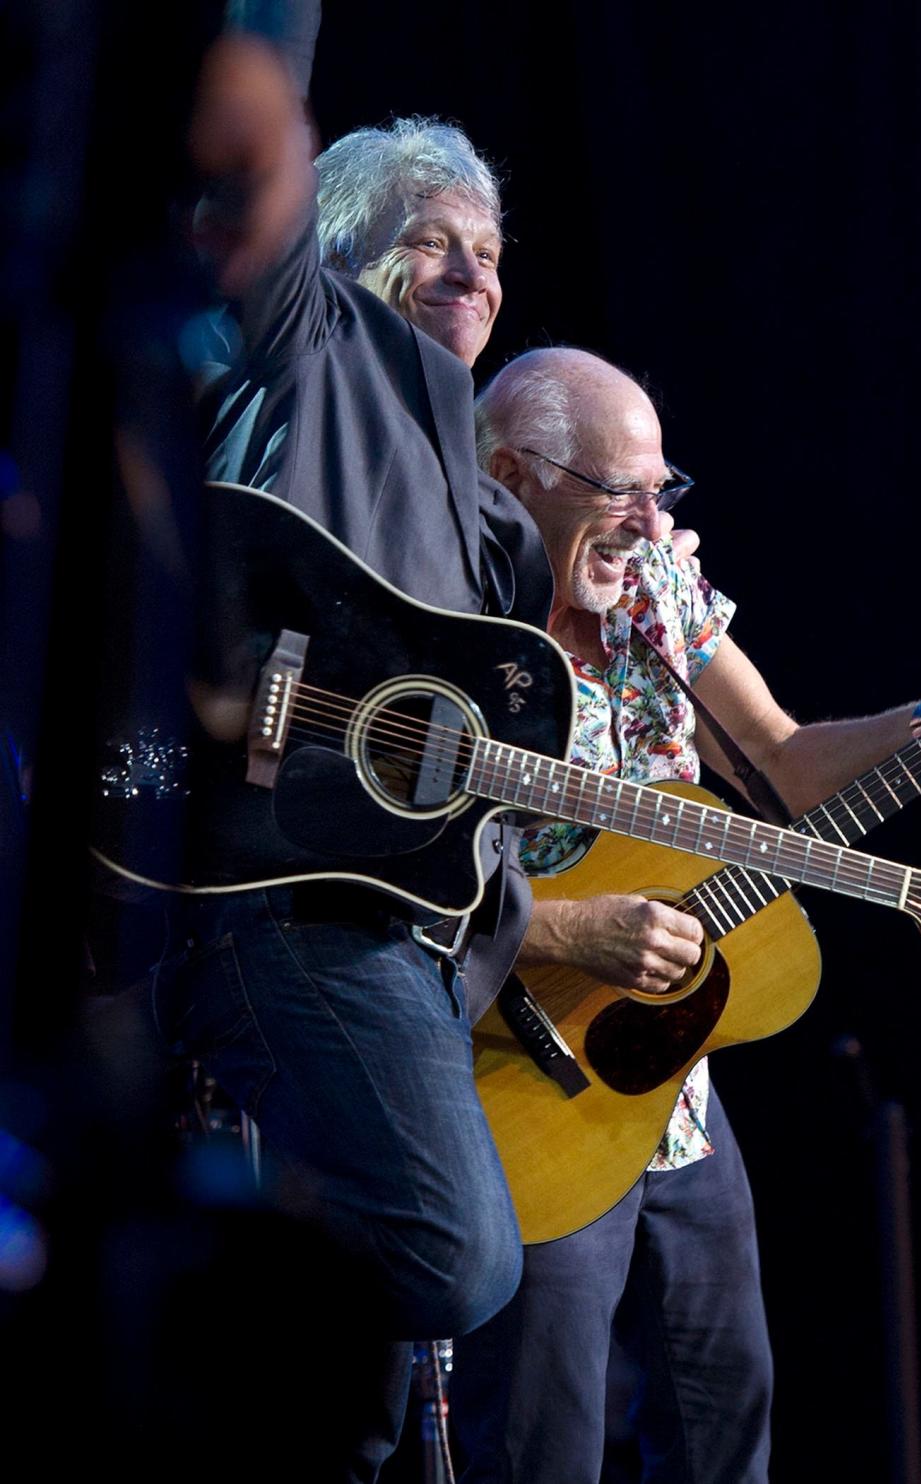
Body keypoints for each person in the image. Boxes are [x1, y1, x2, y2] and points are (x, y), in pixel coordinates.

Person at [449, 346, 921, 1483]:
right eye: (618, 490)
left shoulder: (658, 588)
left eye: (661, 487)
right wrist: (562, 931)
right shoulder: (444, 615)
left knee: (726, 1426)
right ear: (511, 471)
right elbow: (384, 861)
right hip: (511, 1075)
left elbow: (786, 764)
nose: (650, 520)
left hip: (674, 1093)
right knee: (541, 1447)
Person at [150, 20, 553, 1481]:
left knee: (376, 1409)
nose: (473, 275)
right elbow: (259, 111)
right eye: (434, 242)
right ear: (339, 251)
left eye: (491, 255)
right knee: (455, 1261)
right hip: (280, 890)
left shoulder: (495, 512)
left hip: (418, 926)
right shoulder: (312, 336)